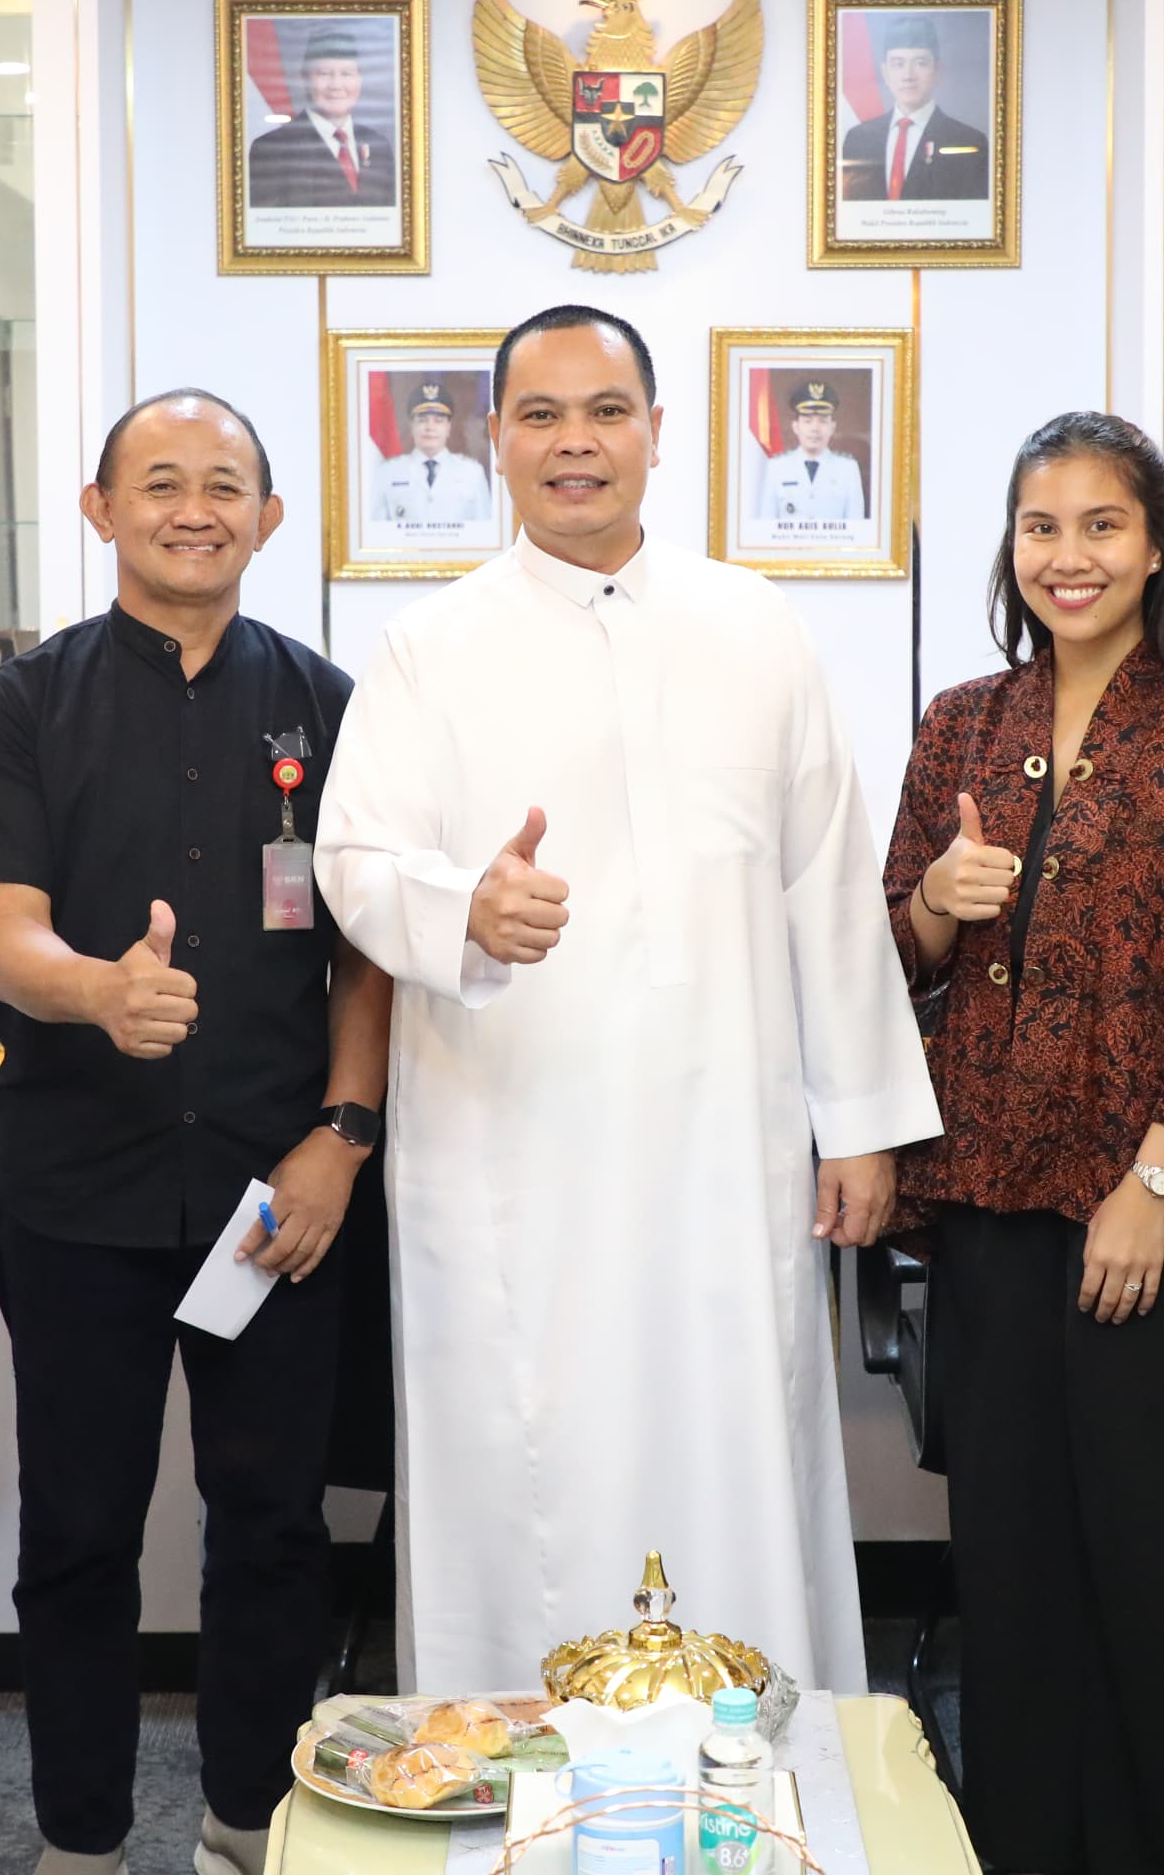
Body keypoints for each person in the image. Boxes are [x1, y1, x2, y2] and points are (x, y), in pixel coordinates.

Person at [314, 303, 939, 1695]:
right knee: (523, 1474)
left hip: (728, 1151)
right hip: (510, 1160)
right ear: (495, 442)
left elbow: (827, 895)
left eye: (605, 412)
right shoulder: (429, 649)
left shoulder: (759, 631)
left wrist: (864, 1127)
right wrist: (462, 909)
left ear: (659, 434)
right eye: (540, 416)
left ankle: (756, 1788)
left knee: (734, 1454)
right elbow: (352, 863)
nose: (574, 443)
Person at [0, 387, 392, 1875]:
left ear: (267, 517)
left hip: (279, 1193)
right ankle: (79, 1838)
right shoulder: (23, 703)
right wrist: (95, 992)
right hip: (77, 1195)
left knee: (272, 1528)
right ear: (100, 508)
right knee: (78, 1531)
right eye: (160, 482)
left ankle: (255, 1823)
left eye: (225, 484)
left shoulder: (330, 705)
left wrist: (341, 1135)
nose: (193, 508)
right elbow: (3, 934)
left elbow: (364, 952)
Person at [886, 412, 1164, 1875]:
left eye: (1101, 525)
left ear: (1157, 545)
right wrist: (936, 894)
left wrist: (1156, 1181)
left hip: (1158, 1218)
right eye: (1043, 527)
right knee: (1019, 1575)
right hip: (990, 1201)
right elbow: (895, 957)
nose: (1070, 556)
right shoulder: (963, 724)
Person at [837, 16, 988, 203]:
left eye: (920, 63)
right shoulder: (858, 139)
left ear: (937, 71)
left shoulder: (969, 142)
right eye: (898, 64)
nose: (908, 76)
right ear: (885, 73)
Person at [244, 26, 395, 211]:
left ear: (360, 79)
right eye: (324, 74)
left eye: (346, 73)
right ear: (304, 79)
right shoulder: (271, 150)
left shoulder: (379, 146)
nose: (336, 85)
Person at [372, 376, 491, 528]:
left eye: (438, 421)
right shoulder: (388, 473)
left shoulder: (473, 473)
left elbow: (484, 533)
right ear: (411, 426)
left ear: (448, 427)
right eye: (422, 420)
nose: (430, 427)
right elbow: (377, 534)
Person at [757, 377, 868, 527]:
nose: (815, 429)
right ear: (796, 427)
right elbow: (766, 527)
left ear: (832, 427)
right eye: (807, 421)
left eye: (822, 421)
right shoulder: (776, 468)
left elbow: (856, 528)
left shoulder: (848, 469)